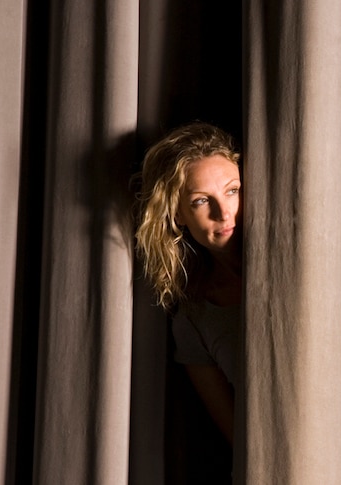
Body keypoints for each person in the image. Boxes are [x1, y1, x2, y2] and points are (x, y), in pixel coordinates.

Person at [135, 122, 242, 447]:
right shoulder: (193, 317)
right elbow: (238, 437)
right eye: (200, 201)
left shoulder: (303, 269)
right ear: (177, 214)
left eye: (232, 191)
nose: (223, 213)